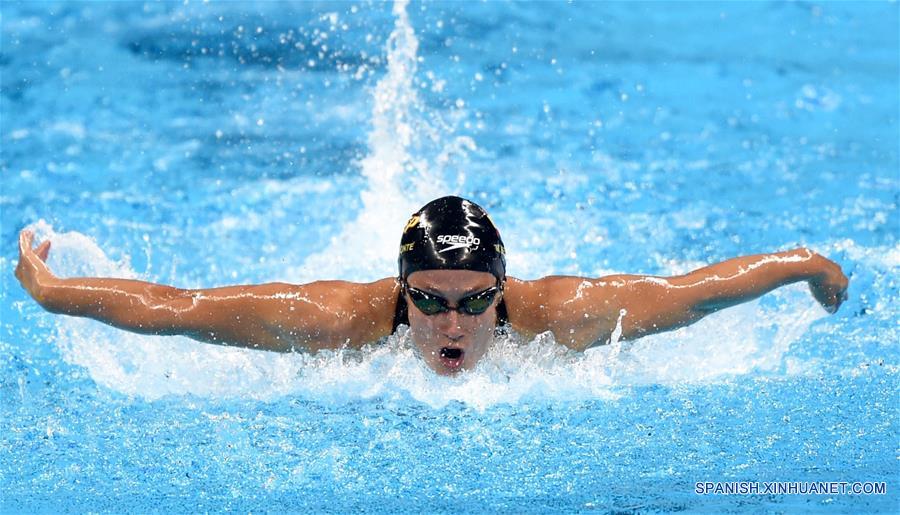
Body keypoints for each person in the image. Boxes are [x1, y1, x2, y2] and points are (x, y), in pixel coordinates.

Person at [15, 196, 849, 375]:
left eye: (476, 300)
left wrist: (801, 264)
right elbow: (184, 310)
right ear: (400, 291)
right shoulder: (339, 319)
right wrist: (53, 292)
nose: (454, 323)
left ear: (503, 289)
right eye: (432, 300)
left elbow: (692, 291)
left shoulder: (564, 316)